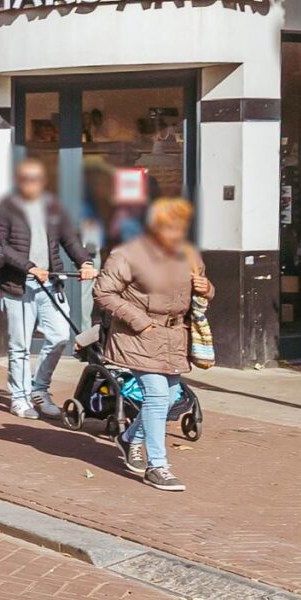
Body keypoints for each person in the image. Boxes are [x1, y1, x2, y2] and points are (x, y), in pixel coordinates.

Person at [93, 196, 212, 491]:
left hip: (174, 336)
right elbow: (104, 292)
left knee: (172, 398)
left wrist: (206, 288)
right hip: (138, 337)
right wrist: (140, 321)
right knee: (158, 396)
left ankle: (130, 437)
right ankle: (157, 466)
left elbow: (203, 293)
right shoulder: (128, 254)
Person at [0, 157, 95, 418]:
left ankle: (39, 389)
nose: (31, 184)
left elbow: (70, 239)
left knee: (60, 336)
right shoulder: (5, 209)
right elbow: (0, 246)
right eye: (25, 179)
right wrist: (29, 266)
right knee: (20, 346)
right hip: (18, 286)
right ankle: (19, 397)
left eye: (35, 179)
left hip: (50, 283)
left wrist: (85, 262)